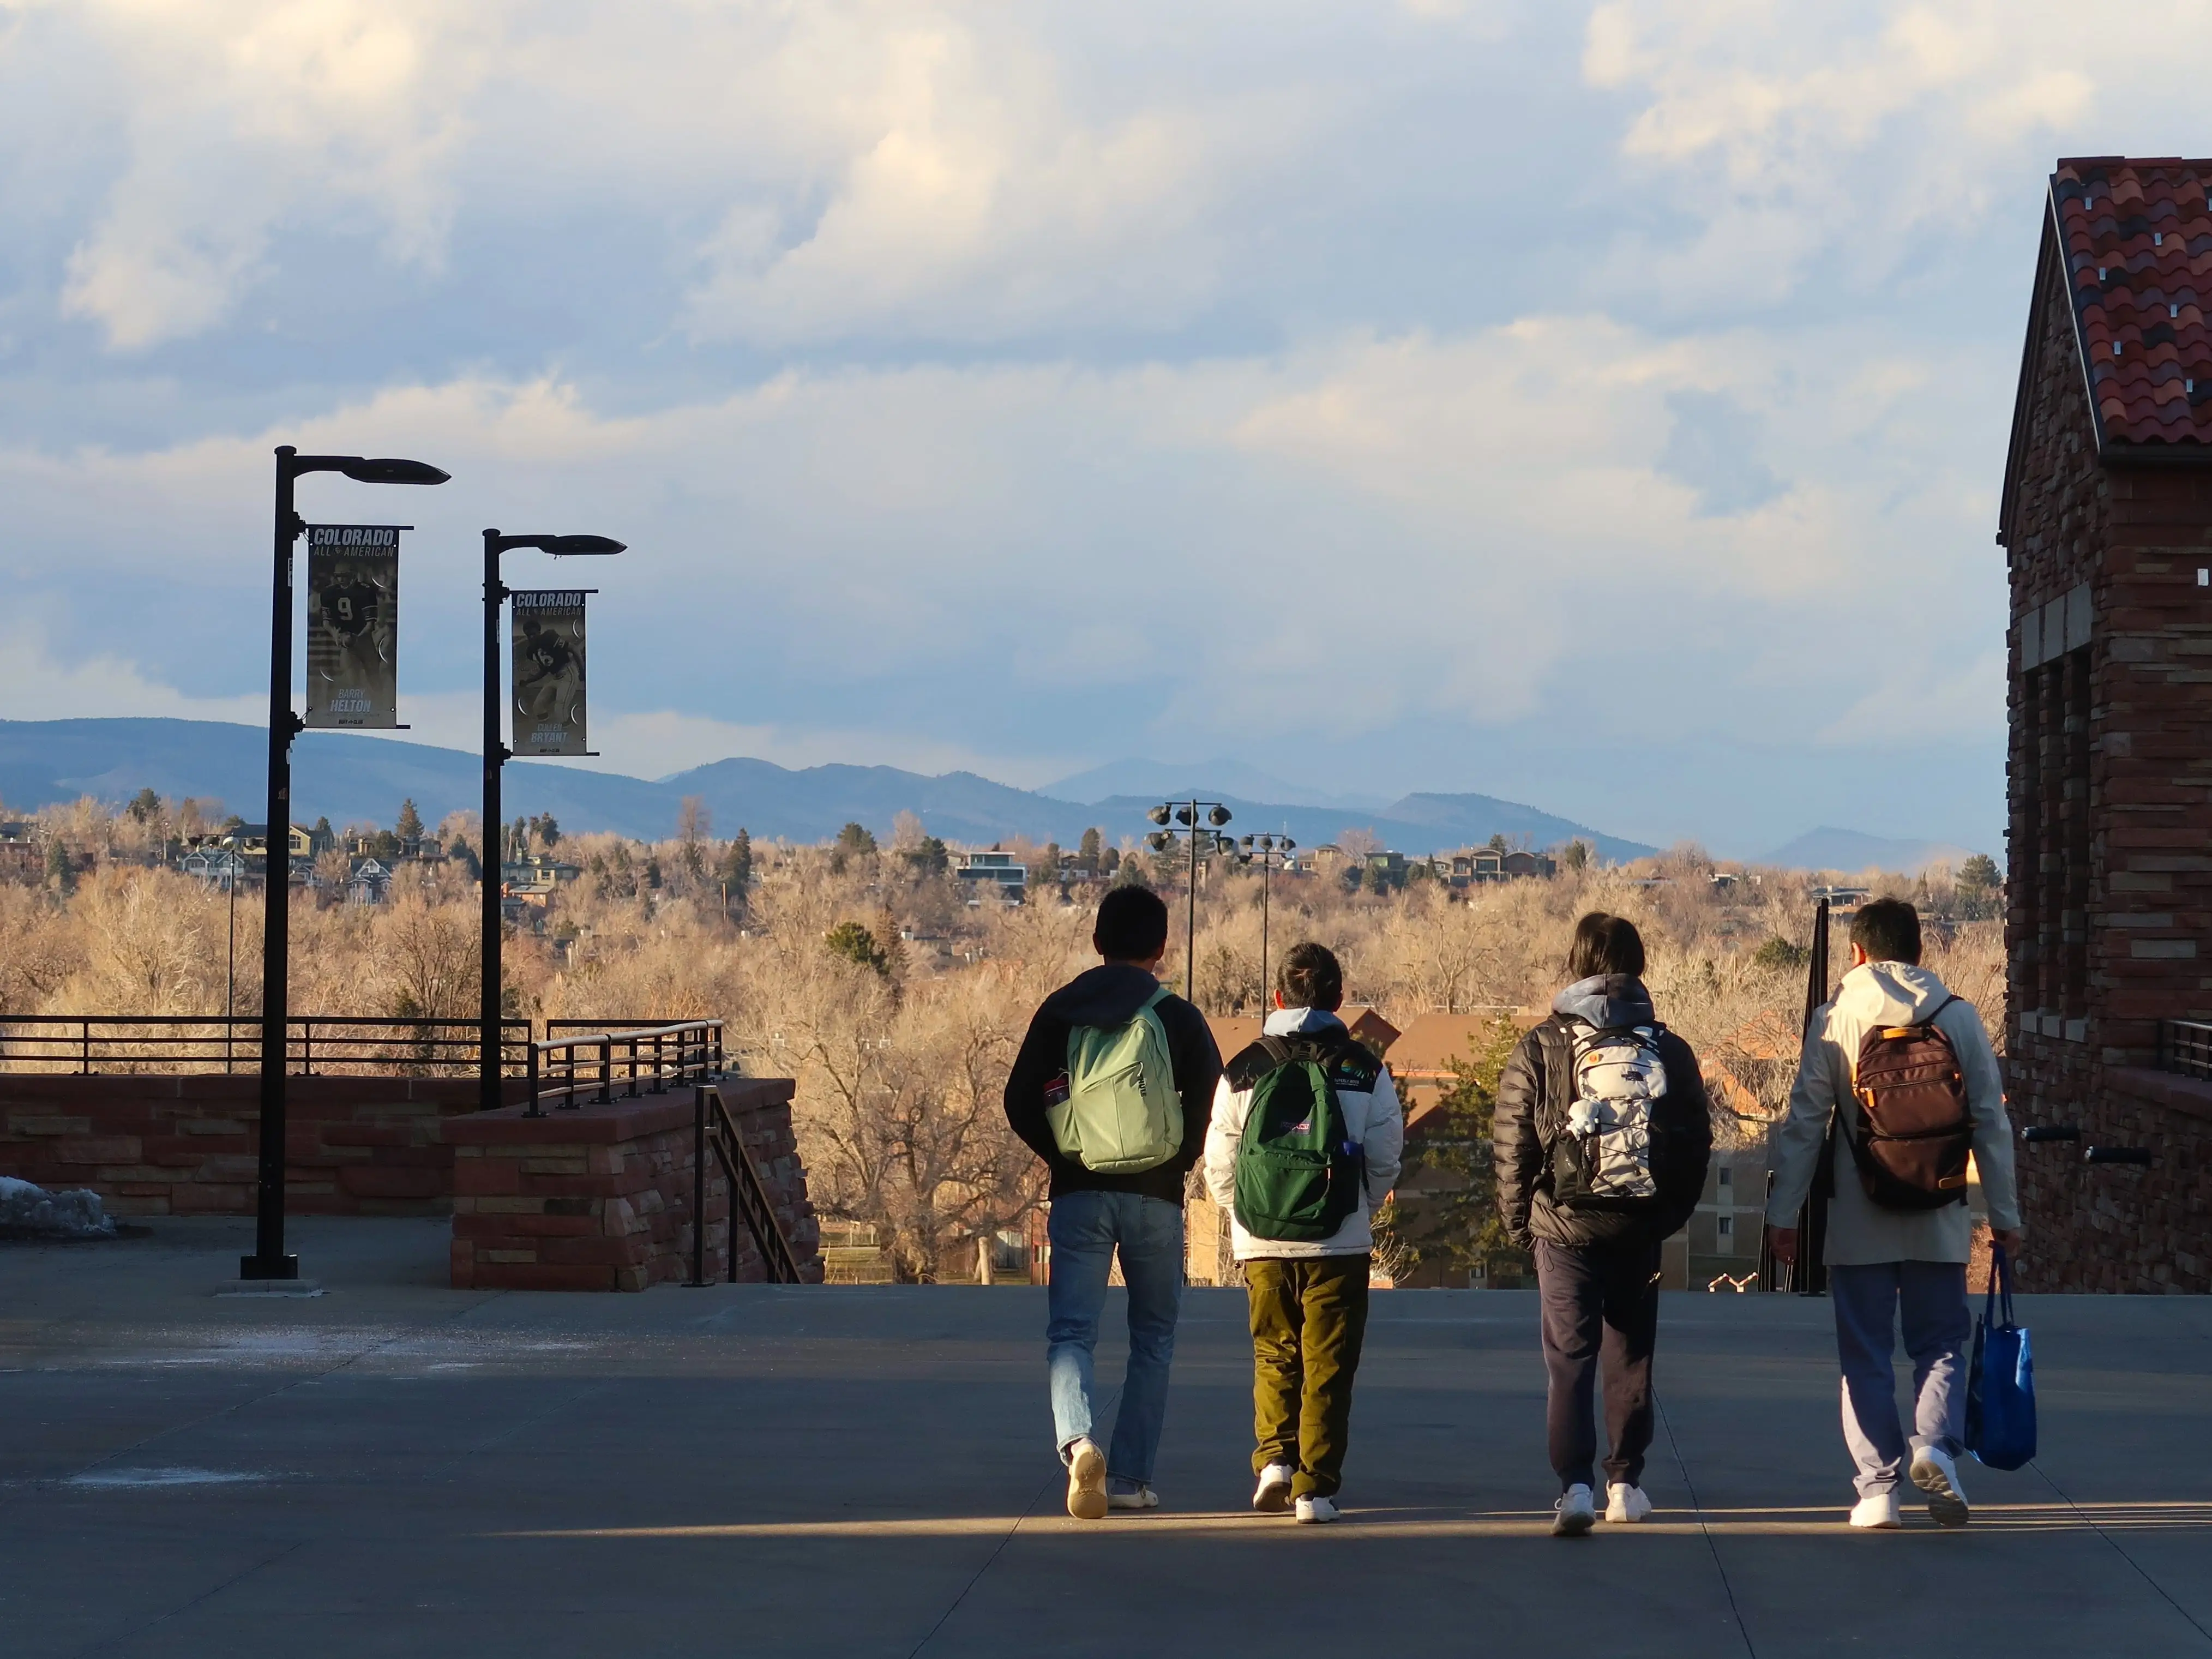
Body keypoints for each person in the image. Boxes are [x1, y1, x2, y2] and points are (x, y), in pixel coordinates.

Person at [1765, 897, 2022, 1530]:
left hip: (1860, 1216)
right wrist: (2007, 1213)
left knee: (1866, 1352)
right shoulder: (1958, 1018)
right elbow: (1991, 1122)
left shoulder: (1836, 1019)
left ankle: (1877, 1490)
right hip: (1938, 1208)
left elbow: (1805, 1126)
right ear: (1919, 952)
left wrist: (1784, 1213)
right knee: (1940, 1344)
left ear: (1857, 953)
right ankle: (1934, 1445)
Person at [1003, 885, 1221, 1519]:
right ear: (1161, 948)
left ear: (1097, 943)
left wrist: (1065, 1153)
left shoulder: (1060, 1011)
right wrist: (1176, 1162)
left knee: (1072, 1331)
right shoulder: (1176, 1015)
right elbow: (1215, 1101)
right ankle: (1130, 1480)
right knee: (1152, 1338)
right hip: (1156, 1197)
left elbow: (1020, 1100)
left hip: (1079, 1193)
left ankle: (1077, 1443)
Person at [1494, 912, 1712, 1537]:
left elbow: (1514, 1144)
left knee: (1570, 1359)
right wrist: (1669, 1214)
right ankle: (1626, 1484)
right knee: (1631, 1354)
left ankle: (1575, 1488)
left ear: (1577, 964)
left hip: (1563, 1227)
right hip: (1639, 1225)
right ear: (1638, 967)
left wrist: (1520, 1224)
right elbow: (1696, 1140)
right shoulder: (1667, 1049)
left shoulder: (1541, 1045)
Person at [1202, 942, 1403, 1525]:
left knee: (1274, 1352)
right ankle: (1314, 1489)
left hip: (1261, 1241)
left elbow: (1220, 1159)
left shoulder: (1243, 1066)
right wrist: (1355, 1208)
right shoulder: (1363, 1068)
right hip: (1339, 1241)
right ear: (1339, 998)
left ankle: (1273, 1463)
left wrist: (1247, 1216)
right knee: (1329, 1362)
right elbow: (1387, 1154)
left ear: (1277, 997)